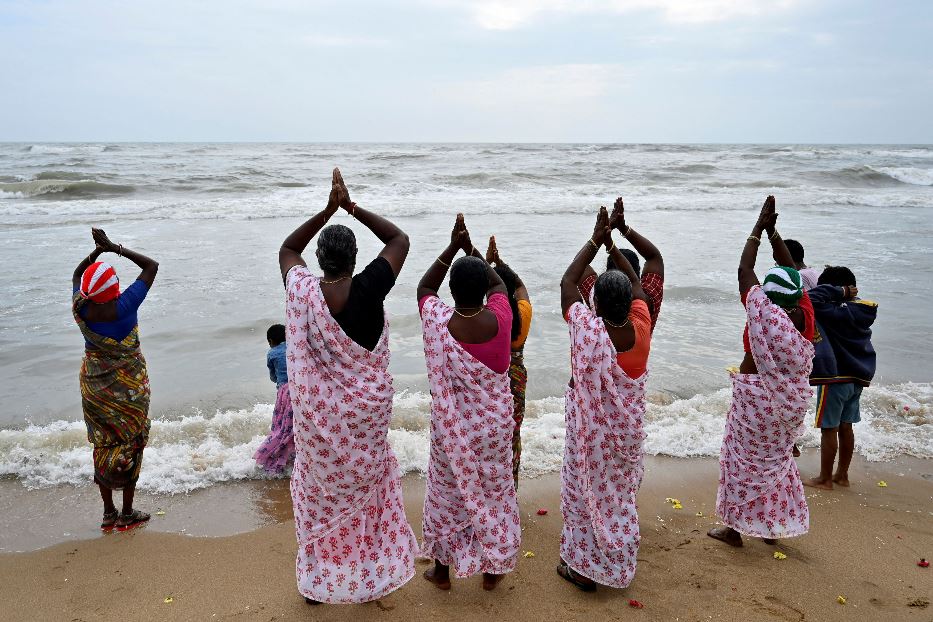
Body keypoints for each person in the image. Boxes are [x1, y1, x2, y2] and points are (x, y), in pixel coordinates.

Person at [279, 168, 417, 605]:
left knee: (320, 494)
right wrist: (351, 207)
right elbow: (399, 241)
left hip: (322, 428)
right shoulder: (371, 287)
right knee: (367, 494)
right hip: (364, 420)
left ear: (320, 260)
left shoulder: (303, 290)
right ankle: (370, 577)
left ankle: (319, 583)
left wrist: (326, 211)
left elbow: (287, 249)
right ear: (357, 261)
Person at [417, 214, 521, 592]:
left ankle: (442, 573)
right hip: (493, 430)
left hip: (453, 432)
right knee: (495, 494)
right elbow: (497, 283)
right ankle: (492, 571)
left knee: (447, 495)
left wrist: (453, 246)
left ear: (452, 290)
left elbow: (425, 286)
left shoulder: (439, 321)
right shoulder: (502, 315)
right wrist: (472, 249)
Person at [708, 196, 814, 548]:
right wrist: (772, 233)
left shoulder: (762, 310)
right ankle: (774, 528)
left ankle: (734, 530)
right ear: (798, 294)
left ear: (767, 296)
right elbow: (792, 273)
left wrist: (758, 227)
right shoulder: (805, 313)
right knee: (777, 463)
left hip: (755, 403)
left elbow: (744, 271)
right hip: (790, 405)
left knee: (741, 462)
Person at [555, 206, 651, 592]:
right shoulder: (641, 328)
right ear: (629, 303)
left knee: (584, 492)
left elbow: (567, 281)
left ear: (593, 302)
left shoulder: (586, 328)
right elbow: (640, 290)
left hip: (591, 438)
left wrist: (597, 239)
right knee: (617, 496)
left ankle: (581, 569)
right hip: (626, 436)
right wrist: (616, 243)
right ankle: (617, 558)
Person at [72, 228, 159, 532]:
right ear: (114, 291)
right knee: (132, 443)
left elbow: (77, 275)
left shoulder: (80, 307)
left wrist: (95, 254)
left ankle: (108, 513)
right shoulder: (125, 307)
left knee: (102, 444)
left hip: (95, 387)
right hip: (131, 389)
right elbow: (151, 266)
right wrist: (113, 248)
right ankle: (128, 512)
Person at [805, 266, 877, 490]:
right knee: (846, 427)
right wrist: (845, 293)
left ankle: (825, 478)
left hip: (835, 378)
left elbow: (807, 298)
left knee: (829, 428)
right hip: (858, 377)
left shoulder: (832, 310)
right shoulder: (861, 310)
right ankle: (842, 475)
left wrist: (837, 292)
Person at [486, 235, 532, 489]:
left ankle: (489, 485)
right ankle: (510, 487)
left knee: (492, 433)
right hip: (517, 376)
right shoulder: (524, 312)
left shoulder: (488, 318)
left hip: (493, 375)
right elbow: (521, 286)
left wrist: (486, 263)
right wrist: (499, 262)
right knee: (513, 432)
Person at [580, 197, 664, 332]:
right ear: (637, 273)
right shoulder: (647, 302)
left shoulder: (598, 300)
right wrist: (623, 228)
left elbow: (579, 267)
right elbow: (654, 258)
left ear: (607, 273)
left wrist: (599, 236)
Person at [252, 324, 295, 474]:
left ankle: (271, 457)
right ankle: (297, 458)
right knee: (295, 427)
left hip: (285, 393)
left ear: (271, 341)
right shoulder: (295, 347)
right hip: (301, 390)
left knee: (280, 427)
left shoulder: (272, 353)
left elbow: (273, 377)